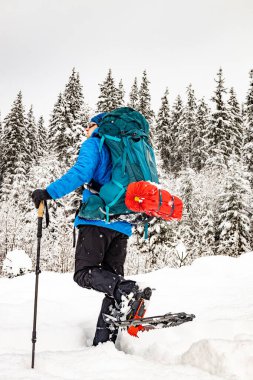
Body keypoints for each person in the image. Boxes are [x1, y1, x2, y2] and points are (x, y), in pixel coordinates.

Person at [32, 112, 151, 346]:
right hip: (123, 223)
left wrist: (48, 193)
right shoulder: (128, 149)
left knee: (84, 273)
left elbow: (81, 173)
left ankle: (128, 290)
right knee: (111, 282)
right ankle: (103, 344)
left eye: (88, 125)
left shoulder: (95, 143)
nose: (86, 130)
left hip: (97, 219)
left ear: (98, 126)